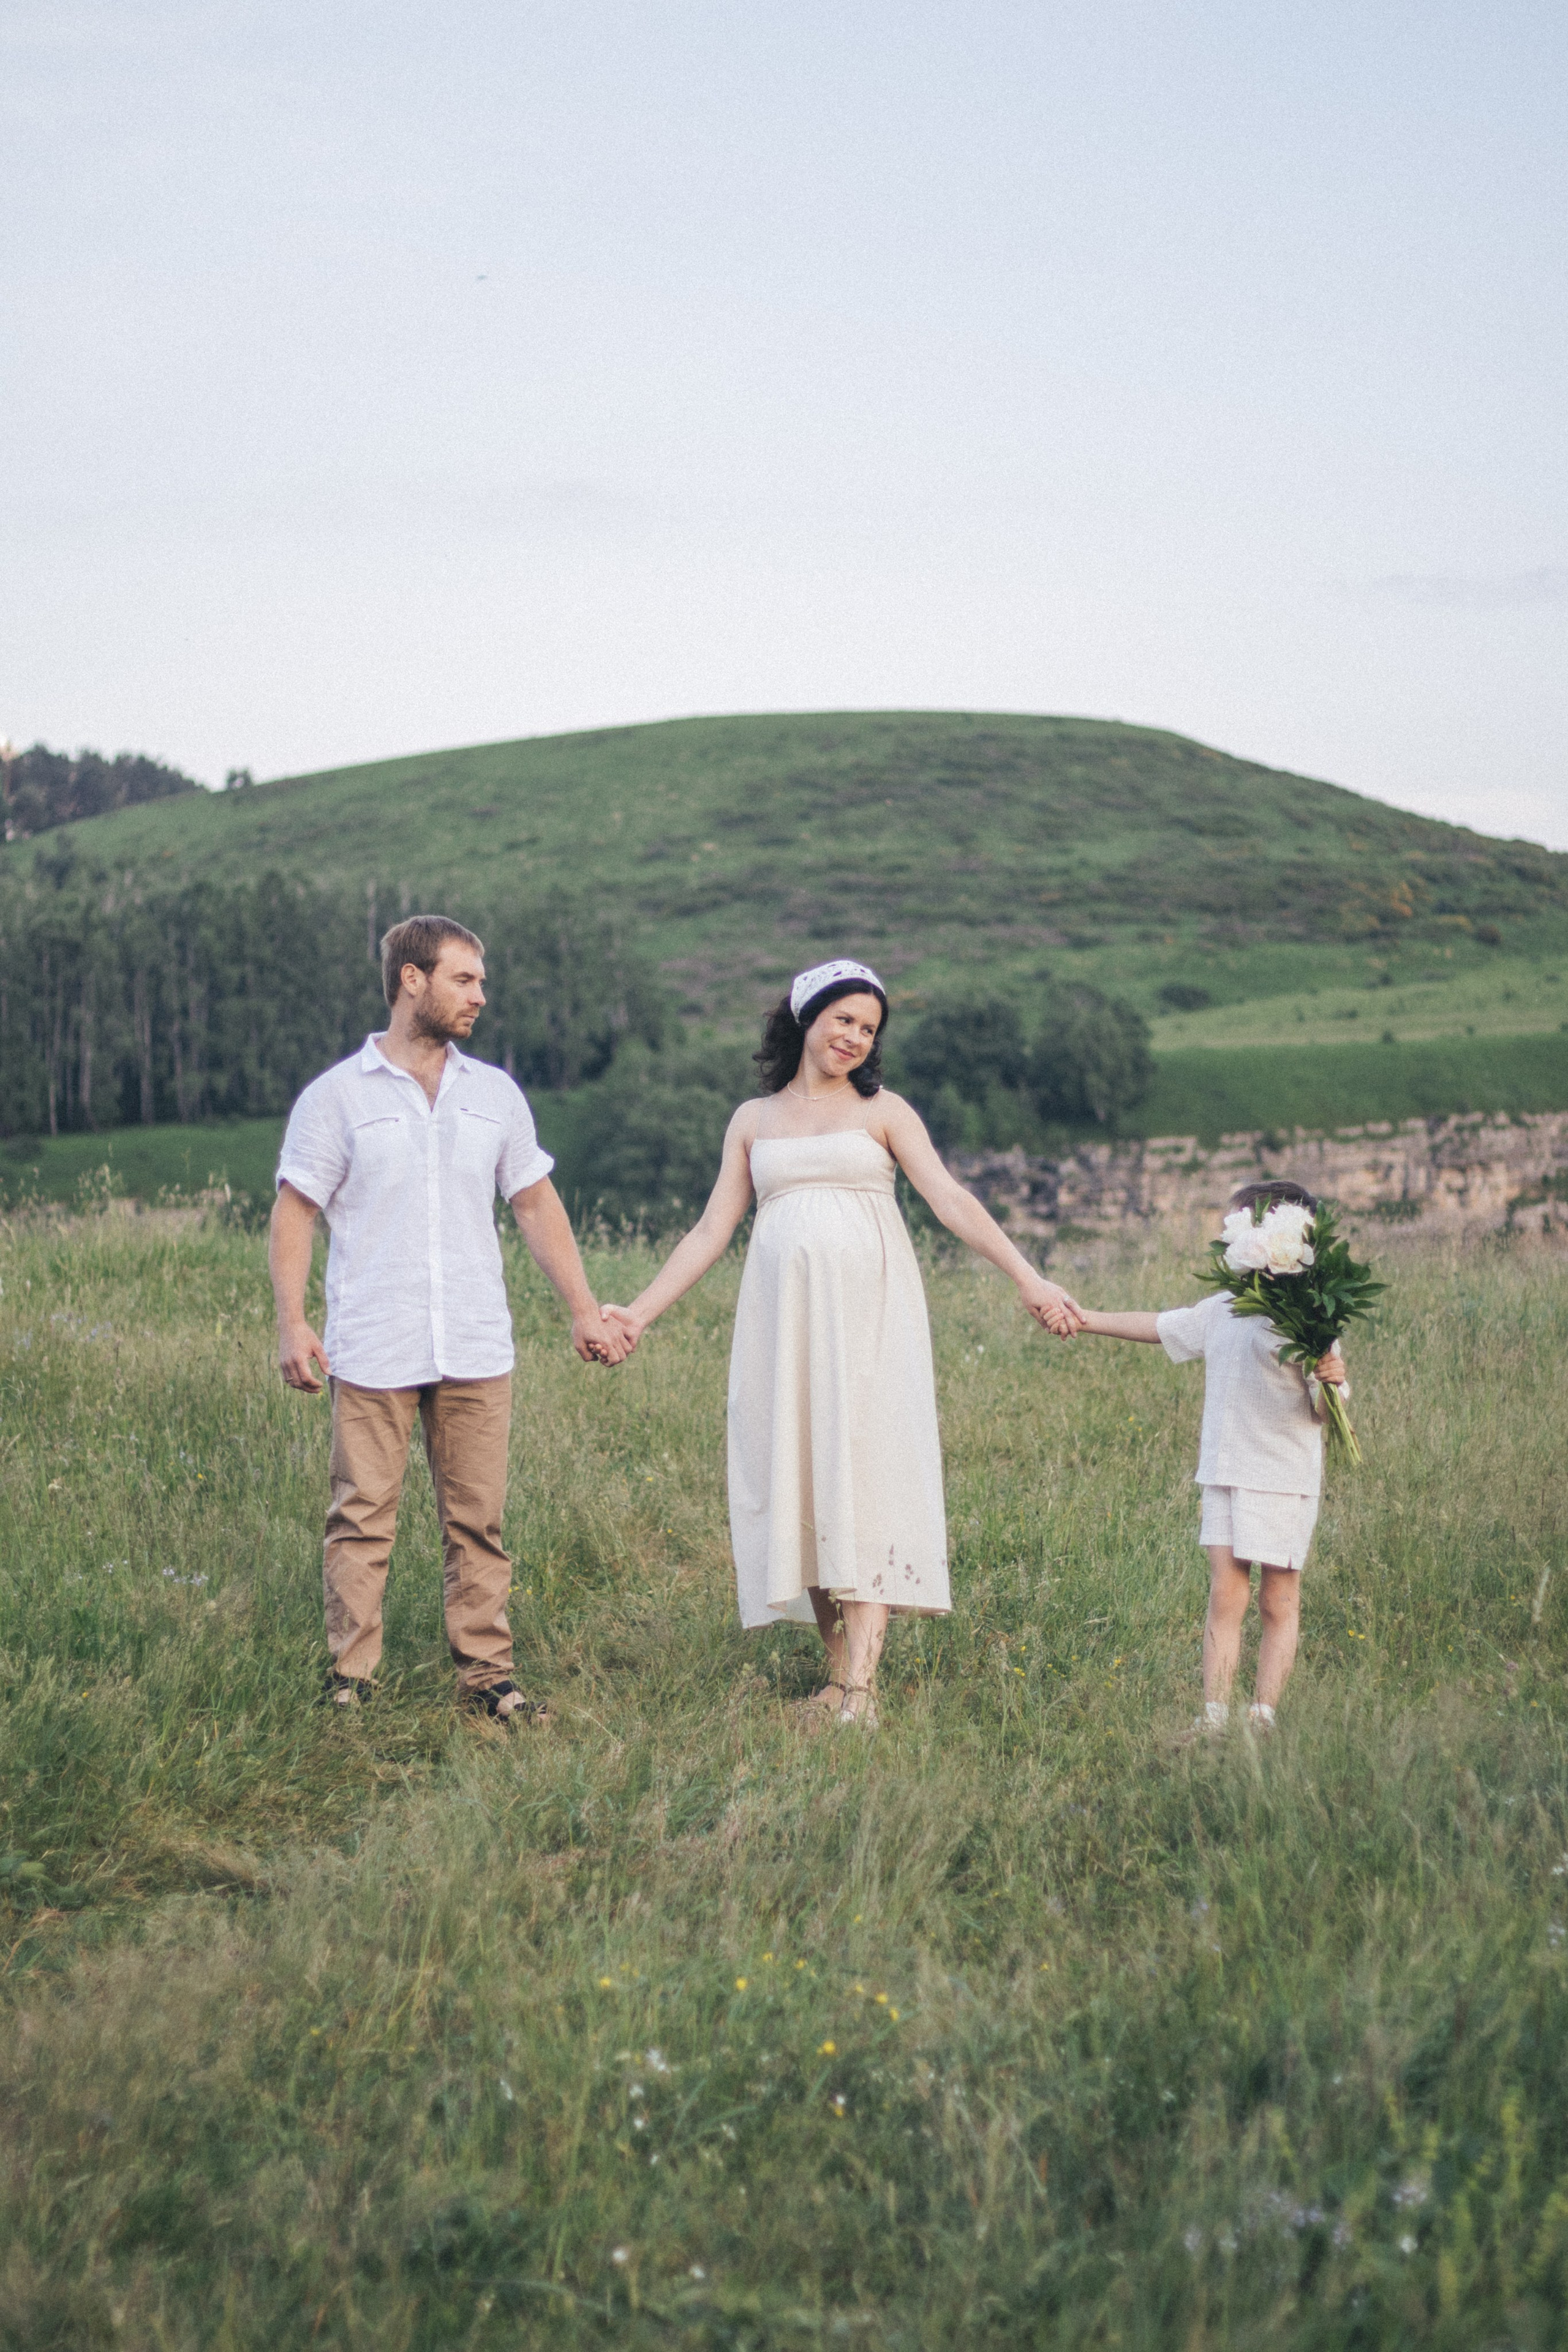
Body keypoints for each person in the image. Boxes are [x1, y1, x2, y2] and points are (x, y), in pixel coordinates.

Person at [602, 959, 1085, 1728]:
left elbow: (950, 1199)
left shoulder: (885, 1111)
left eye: (868, 1028)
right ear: (806, 1019)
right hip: (784, 1322)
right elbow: (709, 1230)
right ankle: (835, 1678)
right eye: (844, 1020)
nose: (855, 1037)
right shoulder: (752, 1121)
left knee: (863, 1477)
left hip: (870, 1321)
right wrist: (638, 1313)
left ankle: (861, 1690)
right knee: (806, 1477)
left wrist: (1028, 1278)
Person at [268, 914, 628, 1724]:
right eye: (465, 980)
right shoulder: (337, 1097)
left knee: (479, 1520)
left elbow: (534, 1203)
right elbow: (296, 1212)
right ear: (412, 980)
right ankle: (352, 1680)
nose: (481, 996)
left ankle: (486, 1680)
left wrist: (581, 1309)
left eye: (483, 981)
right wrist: (293, 1322)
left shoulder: (494, 1093)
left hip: (474, 1340)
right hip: (373, 1339)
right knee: (361, 1518)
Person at [1061, 1178, 1348, 1737]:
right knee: (1226, 1593)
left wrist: (1329, 1381)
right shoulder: (1224, 1307)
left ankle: (1262, 1716)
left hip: (1283, 1476)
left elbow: (1324, 1412)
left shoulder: (1312, 1319)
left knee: (1278, 1599)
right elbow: (1161, 1326)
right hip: (1224, 1470)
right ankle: (1214, 1716)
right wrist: (1088, 1317)